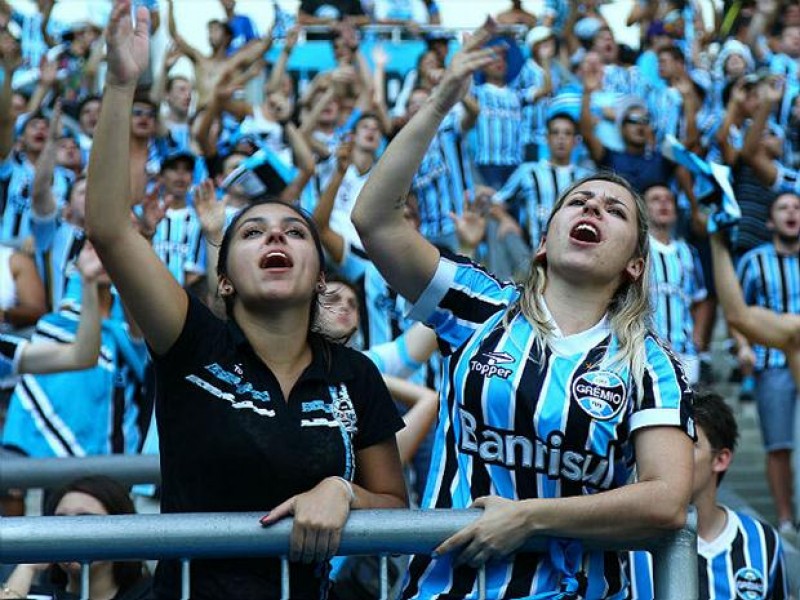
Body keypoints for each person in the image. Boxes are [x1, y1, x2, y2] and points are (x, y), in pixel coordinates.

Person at [352, 22, 694, 599]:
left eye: (614, 209)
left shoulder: (652, 364)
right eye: (578, 201)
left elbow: (665, 499)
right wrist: (442, 98)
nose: (592, 206)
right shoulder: (478, 303)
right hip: (446, 589)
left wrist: (531, 516)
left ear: (635, 263)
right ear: (542, 241)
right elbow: (375, 220)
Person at [85, 3, 407, 598]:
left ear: (319, 277)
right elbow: (108, 227)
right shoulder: (191, 342)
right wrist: (122, 82)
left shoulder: (356, 376)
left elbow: (392, 503)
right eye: (253, 232)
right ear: (224, 278)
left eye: (294, 231)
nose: (277, 237)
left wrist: (342, 490)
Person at [628, 390, 789, 600]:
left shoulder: (762, 541)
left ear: (720, 459)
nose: (666, 456)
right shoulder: (625, 545)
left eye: (686, 444)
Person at [708, 197, 800, 537]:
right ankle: (787, 518)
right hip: (774, 362)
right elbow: (739, 315)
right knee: (779, 444)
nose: (792, 213)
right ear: (771, 221)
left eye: (797, 207)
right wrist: (718, 243)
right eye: (784, 208)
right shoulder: (794, 330)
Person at [0, 476, 152, 600]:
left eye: (85, 520)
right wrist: (27, 566)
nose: (69, 531)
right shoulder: (34, 593)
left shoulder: (150, 593)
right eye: (60, 521)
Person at [644, 183, 708, 385]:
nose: (663, 203)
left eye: (668, 199)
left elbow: (701, 299)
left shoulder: (688, 252)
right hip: (645, 349)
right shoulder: (636, 250)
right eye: (655, 199)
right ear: (643, 209)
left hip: (685, 350)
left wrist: (698, 335)